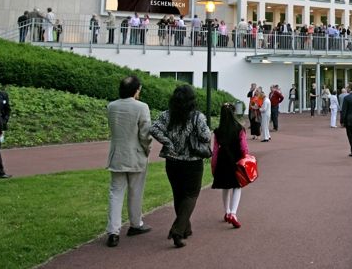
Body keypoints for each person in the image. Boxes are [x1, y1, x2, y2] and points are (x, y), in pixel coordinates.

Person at [150, 84, 212, 248]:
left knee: (179, 194)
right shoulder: (197, 117)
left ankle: (186, 228)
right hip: (192, 161)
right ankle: (177, 230)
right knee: (191, 195)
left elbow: (154, 129)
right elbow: (206, 136)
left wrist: (168, 142)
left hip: (172, 161)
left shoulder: (167, 115)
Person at [105, 75, 152, 247]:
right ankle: (135, 224)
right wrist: (147, 149)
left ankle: (113, 231)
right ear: (136, 90)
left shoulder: (112, 106)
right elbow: (145, 134)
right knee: (135, 191)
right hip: (136, 155)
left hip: (117, 155)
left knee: (115, 193)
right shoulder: (142, 107)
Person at [211, 103, 248, 231]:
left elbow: (215, 151)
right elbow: (244, 148)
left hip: (222, 161)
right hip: (236, 160)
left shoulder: (218, 131)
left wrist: (214, 165)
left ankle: (227, 212)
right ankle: (233, 213)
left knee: (225, 186)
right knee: (237, 186)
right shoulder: (239, 129)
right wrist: (245, 158)